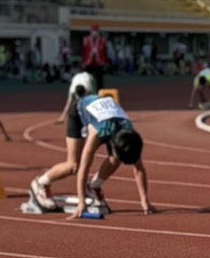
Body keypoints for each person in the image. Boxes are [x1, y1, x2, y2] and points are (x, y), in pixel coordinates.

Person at [66, 92, 156, 220]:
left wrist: (145, 201)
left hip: (107, 115)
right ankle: (41, 183)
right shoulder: (96, 134)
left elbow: (139, 168)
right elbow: (83, 170)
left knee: (116, 158)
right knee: (73, 166)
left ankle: (94, 185)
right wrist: (81, 203)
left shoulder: (130, 136)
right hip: (78, 109)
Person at [23, 71, 100, 215]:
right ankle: (40, 183)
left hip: (86, 115)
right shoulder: (76, 94)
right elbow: (70, 102)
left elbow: (95, 99)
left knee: (82, 161)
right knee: (73, 165)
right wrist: (63, 116)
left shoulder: (89, 83)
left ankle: (91, 187)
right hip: (77, 117)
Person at [81, 25, 111, 89]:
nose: (94, 32)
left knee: (99, 80)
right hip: (89, 62)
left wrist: (106, 62)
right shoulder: (86, 39)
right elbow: (84, 51)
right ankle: (87, 91)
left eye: (96, 31)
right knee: (87, 79)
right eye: (93, 31)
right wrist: (83, 61)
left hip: (99, 63)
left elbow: (105, 52)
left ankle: (100, 93)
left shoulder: (102, 40)